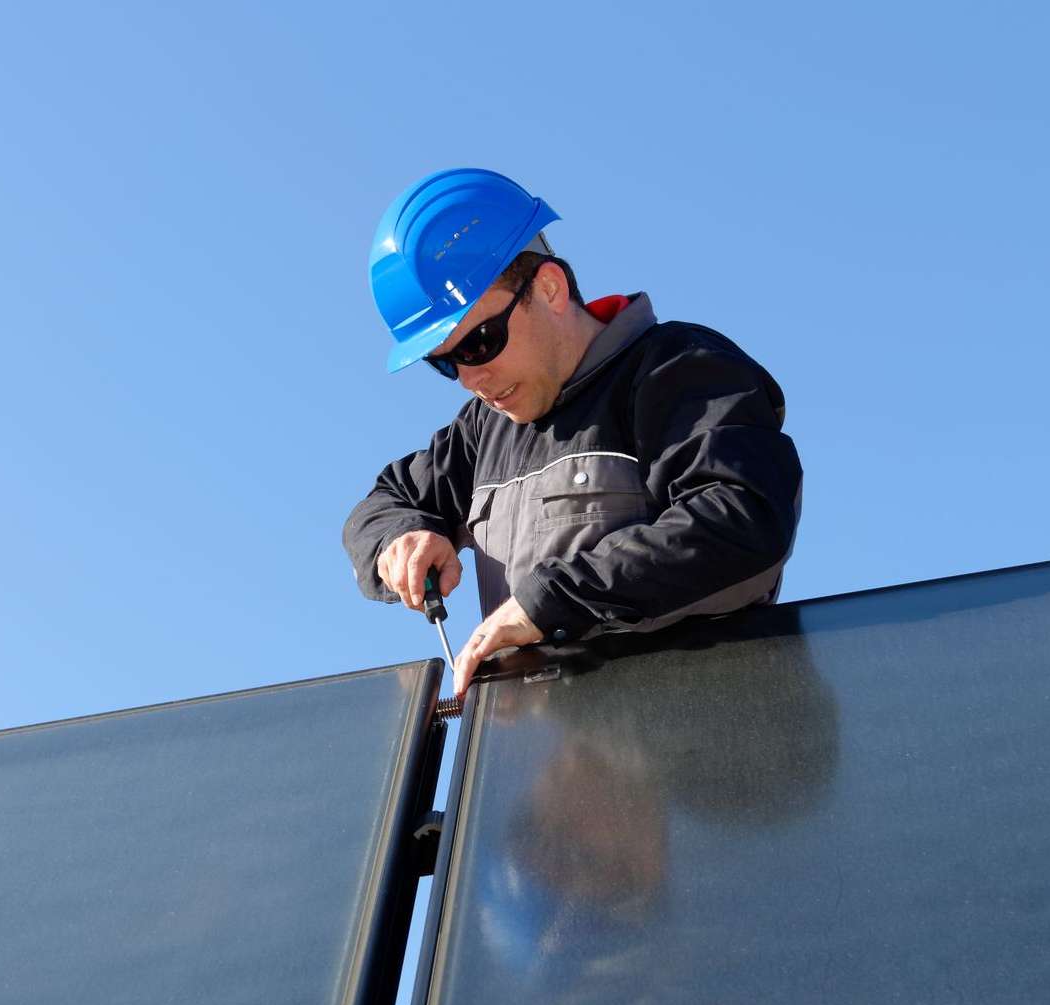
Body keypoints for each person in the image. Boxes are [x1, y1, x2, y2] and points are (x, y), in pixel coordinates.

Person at [344, 168, 803, 695]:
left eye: (478, 343)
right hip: (538, 743)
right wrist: (400, 538)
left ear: (550, 288)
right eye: (444, 362)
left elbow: (743, 517)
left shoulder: (677, 370)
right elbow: (386, 501)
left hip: (695, 729)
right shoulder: (484, 431)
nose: (470, 380)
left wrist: (552, 601)